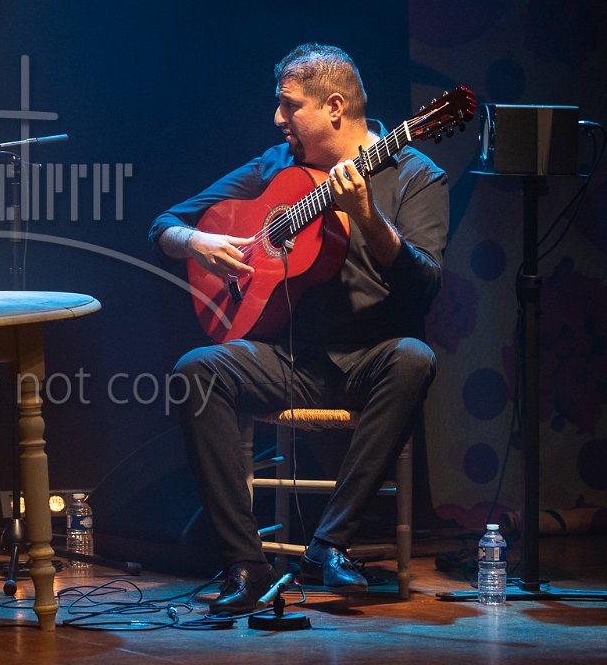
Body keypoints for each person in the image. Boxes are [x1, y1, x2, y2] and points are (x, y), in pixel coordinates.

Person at [149, 44, 446, 615]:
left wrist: (366, 216)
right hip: (290, 359)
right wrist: (197, 242)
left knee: (415, 357)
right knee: (196, 370)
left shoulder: (416, 175)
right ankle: (245, 564)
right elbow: (164, 224)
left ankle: (330, 543)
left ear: (334, 107)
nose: (277, 118)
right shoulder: (275, 164)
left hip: (370, 361)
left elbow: (424, 285)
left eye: (289, 105)